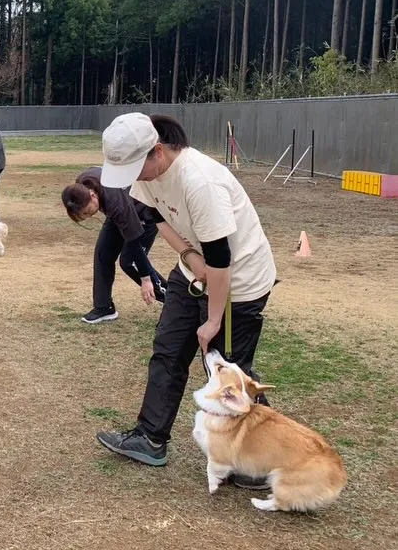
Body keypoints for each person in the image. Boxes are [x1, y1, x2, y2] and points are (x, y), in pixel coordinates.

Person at [93, 113, 277, 489]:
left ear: (157, 151)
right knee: (168, 350)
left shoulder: (200, 181)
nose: (132, 177)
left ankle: (261, 459)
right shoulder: (148, 174)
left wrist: (212, 320)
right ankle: (150, 437)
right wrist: (189, 256)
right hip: (193, 272)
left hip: (238, 282)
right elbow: (155, 215)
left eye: (134, 168)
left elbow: (221, 260)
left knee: (229, 373)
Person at [61, 167, 166, 324]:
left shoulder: (114, 200)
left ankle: (173, 300)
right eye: (84, 215)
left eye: (88, 211)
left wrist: (145, 280)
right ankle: (104, 307)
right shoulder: (82, 184)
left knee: (129, 262)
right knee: (103, 253)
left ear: (92, 195)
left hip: (144, 213)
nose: (90, 215)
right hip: (119, 213)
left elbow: (134, 241)